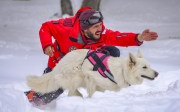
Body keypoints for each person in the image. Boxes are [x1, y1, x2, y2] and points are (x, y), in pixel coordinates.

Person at [25, 7, 158, 106]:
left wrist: (138, 37)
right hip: (59, 62)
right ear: (84, 28)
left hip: (83, 62)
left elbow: (118, 37)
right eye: (95, 26)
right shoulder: (65, 27)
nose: (100, 29)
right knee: (48, 92)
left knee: (113, 51)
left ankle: (97, 82)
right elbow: (45, 27)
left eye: (100, 25)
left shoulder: (100, 33)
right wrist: (47, 44)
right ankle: (30, 99)